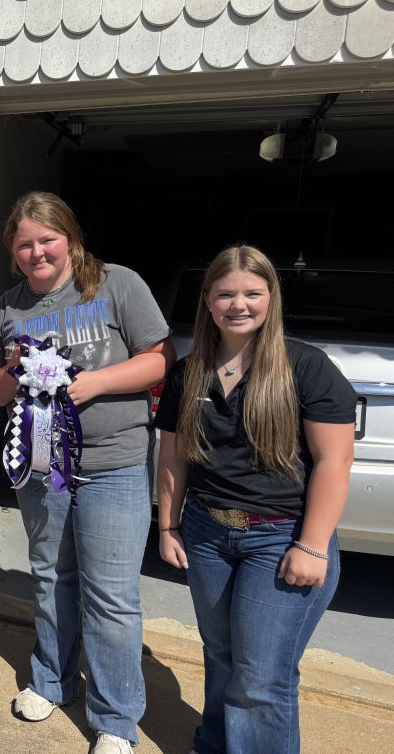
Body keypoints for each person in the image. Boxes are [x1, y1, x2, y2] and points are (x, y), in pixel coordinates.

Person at [0, 191, 174, 754]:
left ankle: (115, 719)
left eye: (48, 240)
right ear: (12, 250)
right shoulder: (4, 309)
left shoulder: (117, 285)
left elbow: (160, 358)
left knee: (110, 596)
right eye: (24, 245)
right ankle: (52, 680)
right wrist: (14, 370)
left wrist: (95, 384)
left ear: (70, 237)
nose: (37, 253)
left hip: (112, 464)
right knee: (50, 577)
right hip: (44, 470)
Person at [154, 244, 356, 754]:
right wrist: (168, 525)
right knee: (221, 657)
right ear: (207, 300)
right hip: (206, 533)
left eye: (252, 293)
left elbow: (334, 461)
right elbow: (173, 457)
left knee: (261, 678)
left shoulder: (306, 367)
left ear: (271, 298)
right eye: (225, 294)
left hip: (281, 538)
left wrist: (312, 546)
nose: (238, 305)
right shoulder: (188, 373)